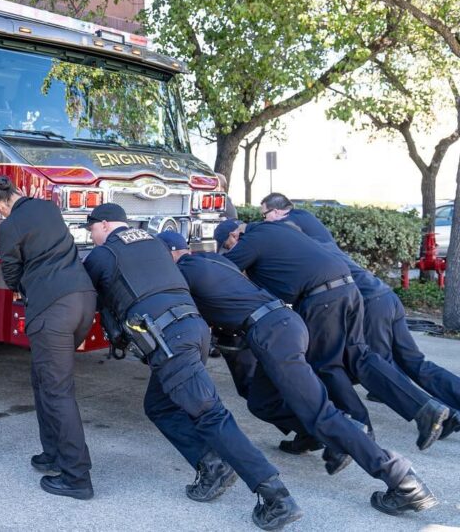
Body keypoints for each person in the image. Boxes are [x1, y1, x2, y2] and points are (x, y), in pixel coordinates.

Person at [158, 231, 437, 517]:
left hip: (271, 335)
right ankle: (322, 434)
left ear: (168, 254)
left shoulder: (182, 273)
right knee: (261, 401)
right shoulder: (214, 261)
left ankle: (403, 480)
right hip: (284, 324)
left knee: (322, 415)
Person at [82, 204, 301, 531]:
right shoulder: (155, 243)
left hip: (167, 340)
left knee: (211, 414)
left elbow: (92, 298)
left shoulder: (102, 256)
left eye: (92, 230)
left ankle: (276, 496)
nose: (92, 237)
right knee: (158, 406)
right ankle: (211, 464)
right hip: (193, 330)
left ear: (103, 226)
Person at [222, 218, 450, 453]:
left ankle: (358, 432)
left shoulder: (250, 240)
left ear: (233, 236)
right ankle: (424, 409)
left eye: (228, 246)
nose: (233, 250)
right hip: (348, 289)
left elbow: (220, 271)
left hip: (320, 299)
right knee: (361, 358)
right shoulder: (276, 229)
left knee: (326, 367)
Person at [260, 193, 459, 439]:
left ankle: (436, 416)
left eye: (265, 214)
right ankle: (450, 411)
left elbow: (272, 237)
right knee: (414, 364)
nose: (265, 221)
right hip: (382, 295)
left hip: (368, 302)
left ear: (280, 212)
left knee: (377, 368)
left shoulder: (293, 222)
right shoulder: (311, 227)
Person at [0, 176, 97, 500]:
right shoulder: (49, 208)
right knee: (43, 381)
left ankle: (77, 477)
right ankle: (53, 453)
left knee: (57, 391)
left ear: (1, 204)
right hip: (83, 299)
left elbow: (10, 274)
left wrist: (25, 287)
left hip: (52, 308)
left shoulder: (8, 227)